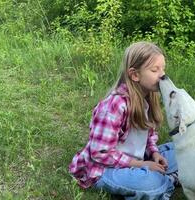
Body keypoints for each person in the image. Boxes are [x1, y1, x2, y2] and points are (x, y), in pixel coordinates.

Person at [69, 41, 179, 200]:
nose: (162, 75)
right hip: (105, 169)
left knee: (184, 152)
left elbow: (149, 136)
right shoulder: (114, 106)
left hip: (138, 160)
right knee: (151, 183)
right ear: (135, 74)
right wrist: (141, 165)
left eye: (163, 69)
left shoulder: (148, 98)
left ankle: (158, 179)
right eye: (155, 70)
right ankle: (166, 181)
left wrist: (154, 153)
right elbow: (100, 153)